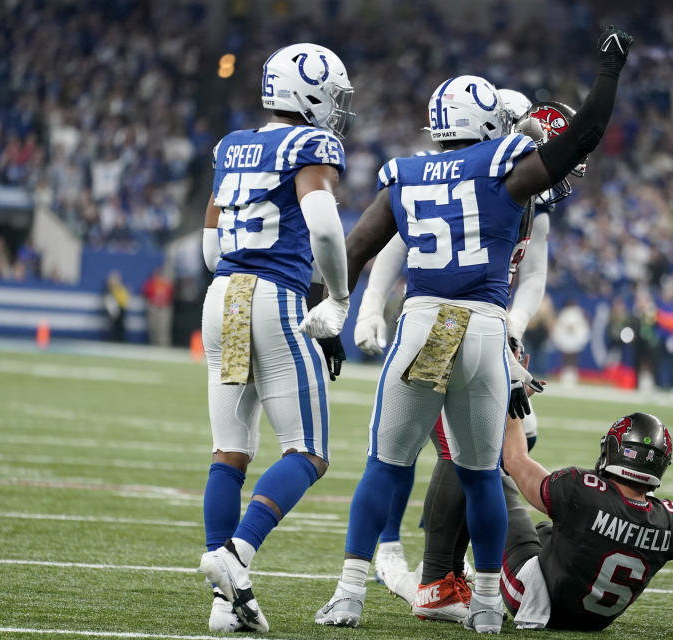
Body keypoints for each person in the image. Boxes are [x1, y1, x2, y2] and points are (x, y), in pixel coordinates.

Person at [315, 26, 634, 634]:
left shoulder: (406, 172)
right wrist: (609, 72)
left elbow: (355, 247)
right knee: (482, 472)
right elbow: (585, 134)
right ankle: (487, 604)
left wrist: (334, 310)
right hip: (485, 330)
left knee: (386, 466)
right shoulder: (504, 166)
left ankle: (350, 593)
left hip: (427, 324)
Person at [355, 89, 564, 614]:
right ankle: (437, 577)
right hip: (441, 322)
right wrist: (369, 307)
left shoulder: (527, 198)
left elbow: (533, 274)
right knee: (455, 452)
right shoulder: (454, 177)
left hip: (488, 322)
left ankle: (448, 569)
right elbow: (392, 244)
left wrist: (513, 329)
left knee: (496, 445)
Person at [196, 43, 355, 633]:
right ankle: (235, 553)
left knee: (230, 451)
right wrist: (337, 299)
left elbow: (211, 245)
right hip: (274, 295)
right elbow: (323, 227)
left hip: (222, 295)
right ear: (309, 92)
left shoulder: (231, 145)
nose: (337, 108)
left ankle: (224, 605)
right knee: (307, 451)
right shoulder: (310, 145)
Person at [500, 410, 673, 630]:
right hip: (594, 621)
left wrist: (513, 403)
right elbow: (628, 522)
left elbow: (514, 459)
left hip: (534, 602)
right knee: (547, 531)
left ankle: (468, 585)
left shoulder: (581, 490)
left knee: (495, 485)